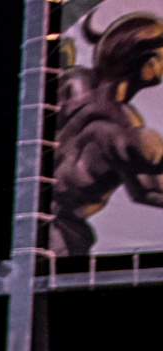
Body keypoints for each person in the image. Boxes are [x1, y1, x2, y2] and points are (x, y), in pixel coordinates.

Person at [53, 13, 163, 256]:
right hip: (60, 238)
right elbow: (152, 189)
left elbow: (148, 191)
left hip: (37, 224)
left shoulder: (72, 81)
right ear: (149, 64)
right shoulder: (126, 133)